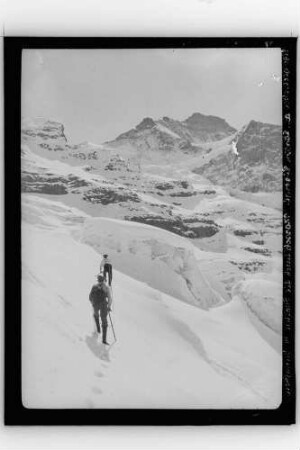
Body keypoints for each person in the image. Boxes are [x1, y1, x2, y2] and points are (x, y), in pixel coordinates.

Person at [89, 274, 112, 345]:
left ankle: (98, 329)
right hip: (103, 305)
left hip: (95, 304)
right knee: (104, 320)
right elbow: (110, 299)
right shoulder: (106, 288)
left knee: (96, 315)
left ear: (98, 280)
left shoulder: (94, 286)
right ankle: (104, 340)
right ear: (104, 280)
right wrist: (108, 307)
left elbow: (90, 297)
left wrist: (93, 304)